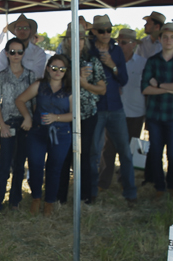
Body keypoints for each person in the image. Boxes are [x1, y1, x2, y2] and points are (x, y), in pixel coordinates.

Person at [86, 15, 138, 205]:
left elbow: (123, 79)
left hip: (116, 108)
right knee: (93, 152)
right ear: (94, 32)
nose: (106, 33)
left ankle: (130, 193)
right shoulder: (87, 50)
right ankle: (91, 192)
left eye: (109, 30)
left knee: (125, 151)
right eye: (102, 30)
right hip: (96, 108)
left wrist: (112, 66)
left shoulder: (116, 52)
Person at [16, 54, 73, 216]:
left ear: (66, 71)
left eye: (62, 69)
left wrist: (57, 118)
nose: (58, 72)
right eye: (54, 68)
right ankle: (36, 198)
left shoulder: (70, 89)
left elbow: (75, 115)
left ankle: (49, 202)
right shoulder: (39, 85)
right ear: (48, 69)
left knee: (54, 169)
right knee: (35, 166)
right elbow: (20, 100)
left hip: (61, 134)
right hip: (38, 132)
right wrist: (28, 117)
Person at [141, 21, 173, 198]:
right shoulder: (152, 61)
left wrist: (160, 85)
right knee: (155, 153)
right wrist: (171, 89)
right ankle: (159, 188)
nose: (168, 40)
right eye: (165, 37)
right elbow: (145, 89)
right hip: (154, 115)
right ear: (160, 39)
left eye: (172, 37)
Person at [57, 24, 106, 205]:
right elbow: (52, 84)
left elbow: (102, 89)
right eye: (72, 37)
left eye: (80, 38)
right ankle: (59, 198)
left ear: (85, 41)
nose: (76, 41)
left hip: (87, 115)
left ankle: (85, 197)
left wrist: (84, 84)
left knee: (84, 156)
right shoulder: (59, 62)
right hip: (63, 115)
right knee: (63, 156)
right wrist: (73, 76)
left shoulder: (92, 61)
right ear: (67, 41)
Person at [0, 37, 36, 211]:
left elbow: (34, 101)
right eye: (12, 52)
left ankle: (15, 200)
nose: (16, 55)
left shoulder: (31, 75)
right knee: (4, 165)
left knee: (19, 165)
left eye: (20, 52)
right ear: (6, 54)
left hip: (26, 124)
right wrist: (2, 125)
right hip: (8, 124)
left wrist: (31, 120)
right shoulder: (1, 76)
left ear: (24, 53)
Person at [99, 27, 147, 189]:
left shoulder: (143, 63)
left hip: (136, 111)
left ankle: (125, 180)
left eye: (124, 42)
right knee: (108, 149)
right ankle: (104, 181)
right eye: (118, 41)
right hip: (113, 110)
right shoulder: (109, 59)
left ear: (133, 44)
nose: (120, 45)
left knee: (130, 149)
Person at [0, 14, 48, 80]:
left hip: (32, 89)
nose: (22, 31)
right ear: (14, 31)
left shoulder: (39, 53)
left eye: (26, 28)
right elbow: (0, 75)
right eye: (19, 28)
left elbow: (37, 76)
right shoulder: (5, 52)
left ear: (30, 31)